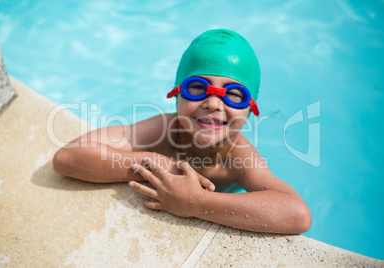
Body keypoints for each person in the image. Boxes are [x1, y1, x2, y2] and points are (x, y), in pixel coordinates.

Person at [53, 29, 311, 234]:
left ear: (250, 109)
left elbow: (297, 214)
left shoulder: (238, 155)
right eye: (198, 87)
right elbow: (67, 158)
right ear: (176, 95)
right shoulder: (162, 129)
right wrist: (155, 162)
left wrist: (196, 203)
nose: (212, 103)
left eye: (234, 95)